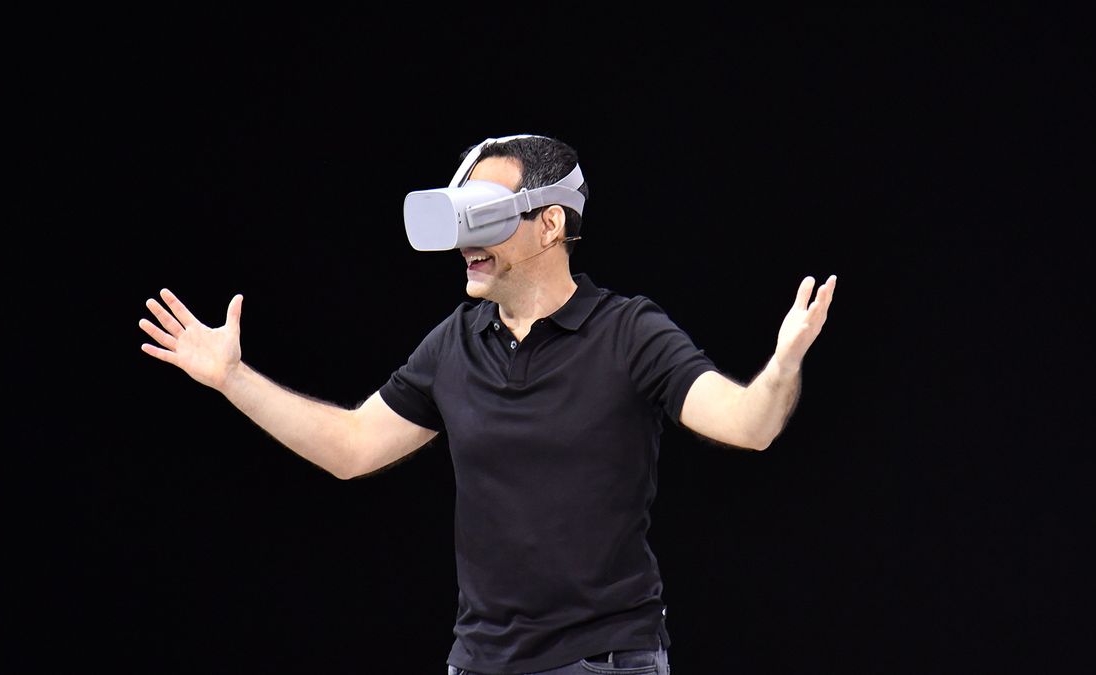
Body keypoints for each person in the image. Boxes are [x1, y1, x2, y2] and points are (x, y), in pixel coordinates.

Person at [138, 134, 837, 675]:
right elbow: (351, 448)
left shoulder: (629, 332)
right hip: (478, 660)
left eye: (484, 219)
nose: (464, 242)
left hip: (603, 659)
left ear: (550, 223)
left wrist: (783, 364)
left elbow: (749, 425)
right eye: (458, 219)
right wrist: (233, 378)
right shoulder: (455, 343)